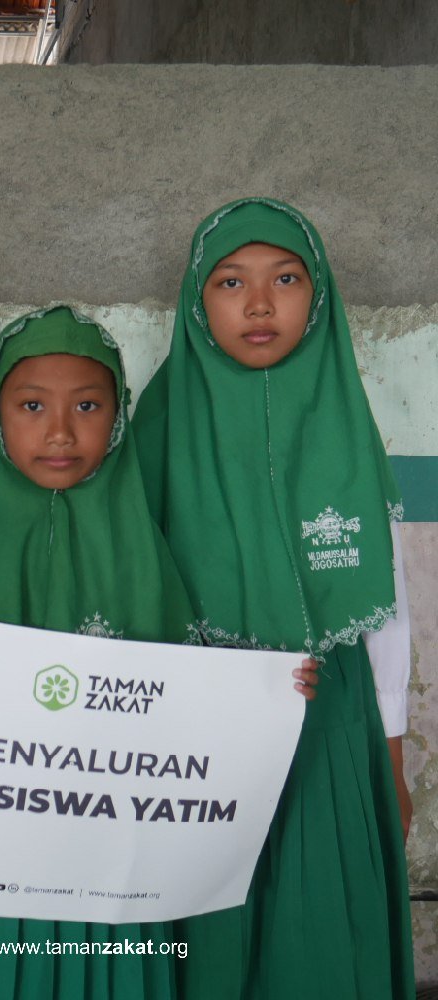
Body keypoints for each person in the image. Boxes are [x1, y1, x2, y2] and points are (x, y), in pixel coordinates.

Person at [0, 306, 316, 999]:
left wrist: (271, 694)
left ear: (119, 417)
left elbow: (190, 711)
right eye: (32, 406)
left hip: (111, 871)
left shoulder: (144, 554)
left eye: (88, 405)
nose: (60, 431)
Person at [133, 197, 415, 999]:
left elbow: (384, 599)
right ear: (197, 301)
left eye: (286, 279)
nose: (259, 304)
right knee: (214, 932)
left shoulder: (344, 420)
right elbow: (127, 589)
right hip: (198, 728)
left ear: (318, 297)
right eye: (231, 282)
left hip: (330, 715)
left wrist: (392, 758)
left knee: (321, 926)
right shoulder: (156, 427)